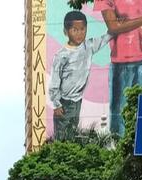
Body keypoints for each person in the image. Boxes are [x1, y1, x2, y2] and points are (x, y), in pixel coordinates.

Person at [96, 0, 142, 136]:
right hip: (121, 60)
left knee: (140, 112)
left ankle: (137, 152)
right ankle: (120, 152)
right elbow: (113, 27)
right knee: (119, 115)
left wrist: (127, 23)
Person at [49, 10, 115, 138]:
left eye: (83, 29)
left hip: (77, 100)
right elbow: (55, 82)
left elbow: (104, 39)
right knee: (62, 137)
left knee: (73, 133)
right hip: (64, 103)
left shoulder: (88, 46)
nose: (80, 33)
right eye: (75, 30)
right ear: (66, 32)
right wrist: (56, 104)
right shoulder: (61, 56)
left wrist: (114, 28)